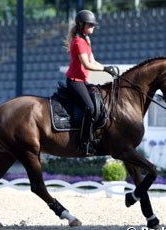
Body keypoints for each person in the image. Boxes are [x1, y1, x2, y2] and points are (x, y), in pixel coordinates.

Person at [64, 9, 117, 156]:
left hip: (82, 80)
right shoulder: (78, 41)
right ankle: (84, 142)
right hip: (75, 81)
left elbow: (93, 61)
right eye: (90, 25)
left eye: (93, 25)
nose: (93, 27)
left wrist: (107, 67)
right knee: (90, 108)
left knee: (98, 100)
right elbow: (87, 65)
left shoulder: (86, 39)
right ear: (81, 25)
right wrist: (105, 69)